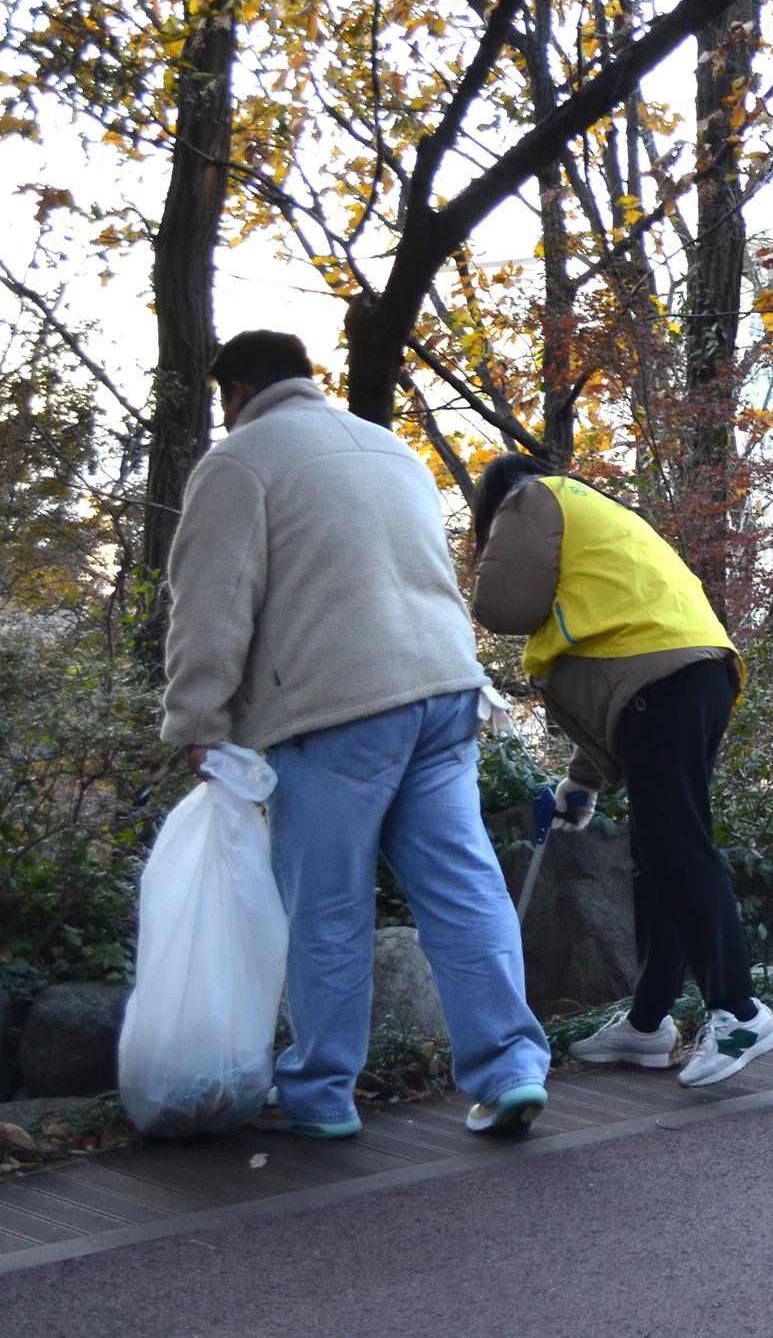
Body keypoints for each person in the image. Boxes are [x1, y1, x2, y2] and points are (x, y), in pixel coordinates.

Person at [159, 331, 551, 1140]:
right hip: (445, 690)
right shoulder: (391, 449)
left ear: (232, 391)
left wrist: (197, 722)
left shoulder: (239, 462)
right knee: (463, 884)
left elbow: (210, 603)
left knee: (327, 902)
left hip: (335, 704)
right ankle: (510, 1066)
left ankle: (318, 1093)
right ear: (308, 378)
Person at [470, 455, 773, 1087]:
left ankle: (739, 1010)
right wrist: (583, 780)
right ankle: (648, 1024)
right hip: (691, 675)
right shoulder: (605, 520)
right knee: (659, 850)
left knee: (676, 846)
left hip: (662, 683)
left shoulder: (530, 498)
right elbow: (614, 652)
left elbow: (501, 605)